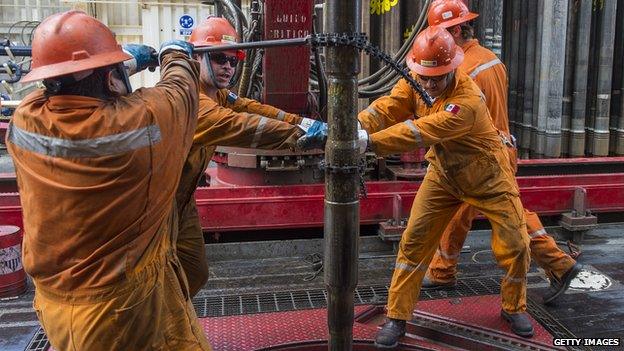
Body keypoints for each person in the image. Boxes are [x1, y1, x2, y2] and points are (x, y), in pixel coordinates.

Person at [299, 25, 534, 345]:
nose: (428, 84)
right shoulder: (417, 81)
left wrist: (367, 142)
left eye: (435, 78)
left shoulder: (466, 101)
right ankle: (397, 316)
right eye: (423, 77)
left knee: (516, 244)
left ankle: (513, 306)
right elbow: (388, 107)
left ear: (452, 68)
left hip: (488, 177)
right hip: (444, 176)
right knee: (413, 243)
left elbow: (421, 131)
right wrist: (353, 125)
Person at [7, 10, 211, 350]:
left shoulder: (25, 120)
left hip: (54, 303)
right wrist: (175, 53)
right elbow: (180, 91)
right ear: (109, 79)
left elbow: (71, 82)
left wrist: (124, 62)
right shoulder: (140, 123)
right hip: (120, 311)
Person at [423, 0, 580, 305]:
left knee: (512, 217)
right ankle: (443, 269)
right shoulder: (490, 60)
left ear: (456, 30)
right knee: (460, 212)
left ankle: (562, 266)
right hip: (499, 148)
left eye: (441, 33)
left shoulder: (463, 69)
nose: (437, 41)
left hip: (481, 156)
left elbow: (451, 116)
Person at [176, 17, 314, 297]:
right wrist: (303, 136)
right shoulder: (190, 99)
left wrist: (304, 122)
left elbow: (254, 109)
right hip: (160, 203)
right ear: (195, 58)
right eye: (218, 59)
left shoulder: (219, 94)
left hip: (183, 200)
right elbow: (240, 124)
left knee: (194, 271)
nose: (228, 66)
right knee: (157, 274)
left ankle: (171, 318)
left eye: (234, 60)